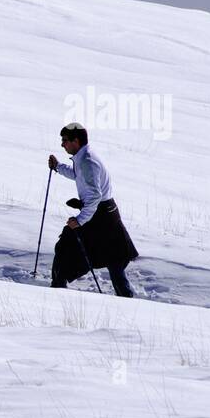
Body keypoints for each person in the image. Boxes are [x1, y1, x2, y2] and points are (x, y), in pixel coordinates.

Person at [48, 123, 139, 296]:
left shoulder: (88, 162)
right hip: (103, 214)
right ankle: (58, 285)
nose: (62, 144)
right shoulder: (82, 158)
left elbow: (95, 196)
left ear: (76, 141)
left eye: (65, 140)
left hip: (102, 217)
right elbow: (77, 175)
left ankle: (58, 289)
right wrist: (58, 167)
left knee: (113, 261)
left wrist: (79, 220)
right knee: (113, 261)